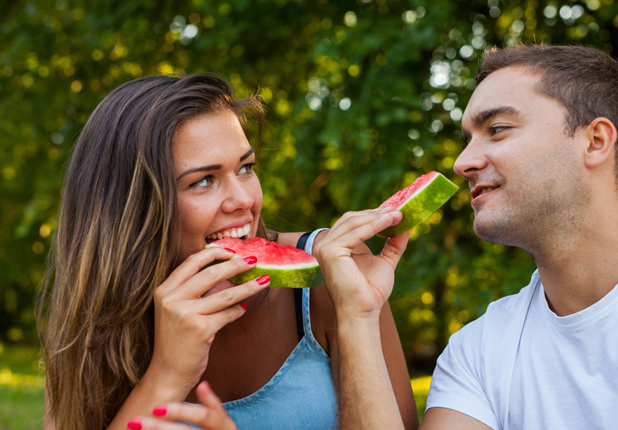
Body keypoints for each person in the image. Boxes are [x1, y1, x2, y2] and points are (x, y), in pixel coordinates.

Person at [309, 44, 618, 430]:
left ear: (596, 141)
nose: (462, 162)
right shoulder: (478, 352)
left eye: (497, 129)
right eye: (468, 138)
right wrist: (358, 316)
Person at [38, 73, 419, 430]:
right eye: (203, 181)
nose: (244, 200)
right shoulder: (91, 324)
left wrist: (359, 316)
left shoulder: (332, 276)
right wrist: (167, 374)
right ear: (130, 208)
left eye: (246, 168)